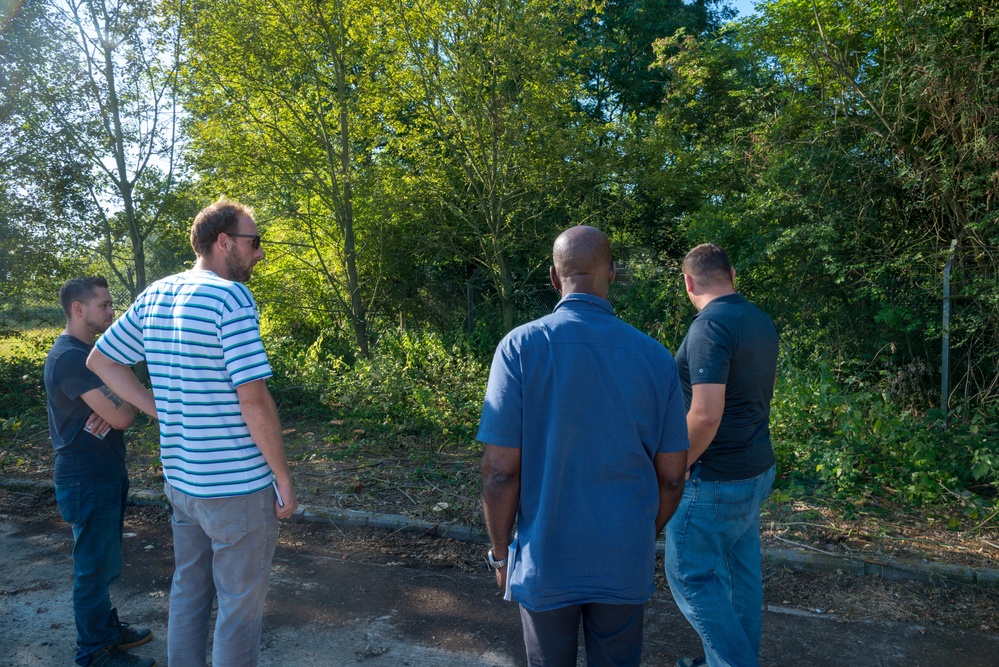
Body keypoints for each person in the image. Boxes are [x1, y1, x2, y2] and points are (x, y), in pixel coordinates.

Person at [87, 198, 299, 667]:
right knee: (240, 608)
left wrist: (159, 410)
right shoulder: (231, 297)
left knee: (188, 593)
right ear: (223, 242)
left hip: (183, 483)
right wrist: (281, 475)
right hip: (236, 489)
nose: (260, 252)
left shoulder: (157, 294)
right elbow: (253, 398)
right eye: (254, 242)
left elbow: (101, 360)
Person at [478, 225, 689, 667]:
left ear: (555, 278)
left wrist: (501, 555)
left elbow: (500, 471)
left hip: (545, 559)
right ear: (612, 273)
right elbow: (672, 476)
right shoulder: (654, 357)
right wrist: (641, 534)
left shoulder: (519, 347)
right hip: (622, 558)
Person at [664, 244, 779, 667]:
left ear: (689, 282)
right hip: (754, 471)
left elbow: (706, 415)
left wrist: (678, 467)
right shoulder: (759, 320)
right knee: (739, 577)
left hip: (714, 479)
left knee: (690, 576)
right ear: (732, 273)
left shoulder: (710, 328)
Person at [44, 277, 156, 667]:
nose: (112, 312)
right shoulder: (71, 357)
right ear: (79, 309)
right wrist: (119, 403)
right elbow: (124, 414)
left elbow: (120, 406)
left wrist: (118, 400)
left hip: (102, 473)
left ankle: (106, 632)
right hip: (85, 477)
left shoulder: (88, 353)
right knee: (92, 569)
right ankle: (93, 652)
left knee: (103, 563)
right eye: (105, 306)